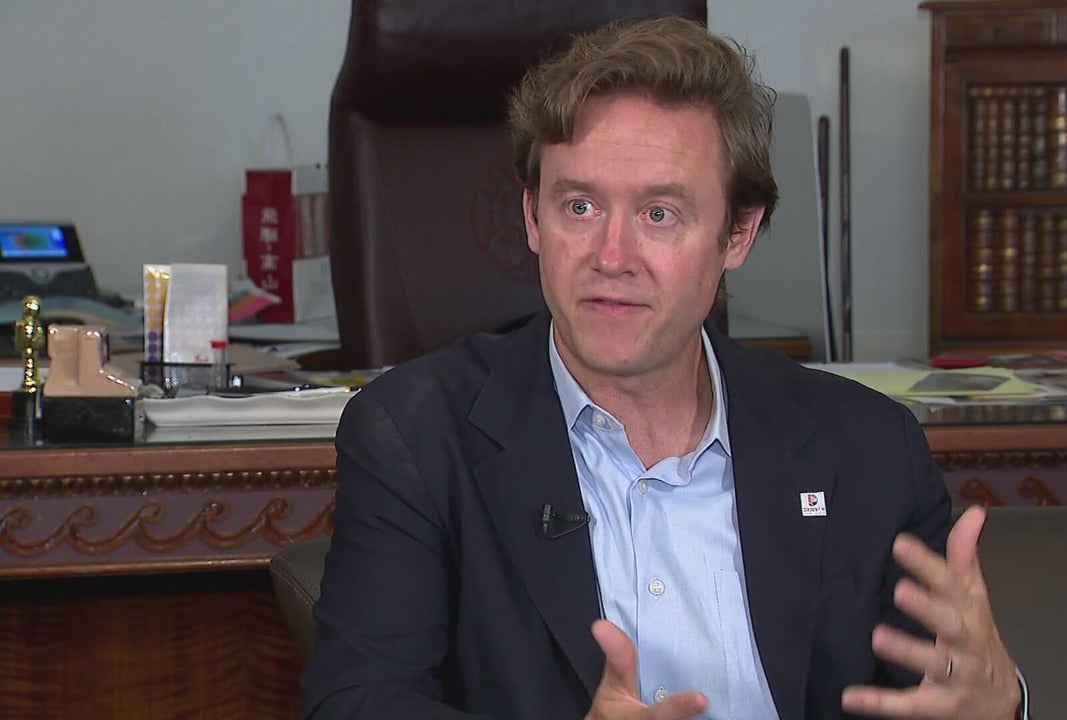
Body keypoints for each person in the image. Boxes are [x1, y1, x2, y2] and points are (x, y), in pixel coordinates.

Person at [303, 16, 1027, 720]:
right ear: (531, 218)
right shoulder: (417, 438)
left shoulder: (867, 449)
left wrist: (1000, 707)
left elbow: (945, 691)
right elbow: (357, 703)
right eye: (579, 206)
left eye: (659, 214)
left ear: (738, 233)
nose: (612, 256)